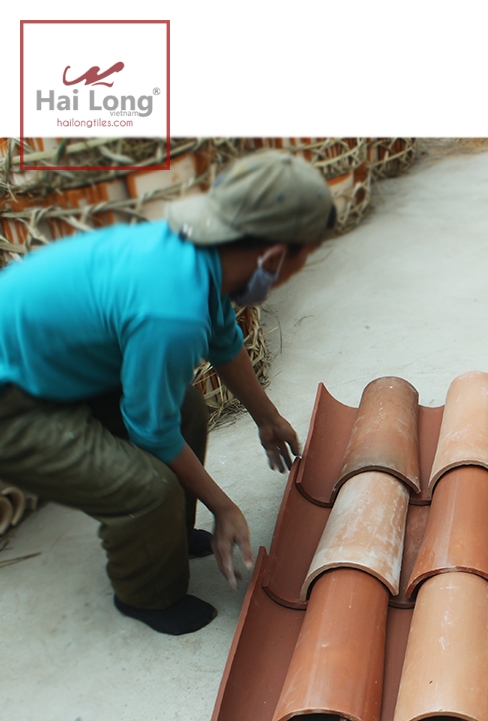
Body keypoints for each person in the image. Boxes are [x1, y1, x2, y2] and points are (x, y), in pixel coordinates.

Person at [0, 149, 335, 634]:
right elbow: (151, 432)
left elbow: (224, 340)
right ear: (274, 256)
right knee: (146, 490)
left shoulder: (198, 256)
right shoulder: (171, 311)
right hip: (13, 402)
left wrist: (267, 417)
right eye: (303, 257)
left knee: (186, 408)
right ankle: (149, 595)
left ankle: (168, 538)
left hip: (48, 364)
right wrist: (223, 506)